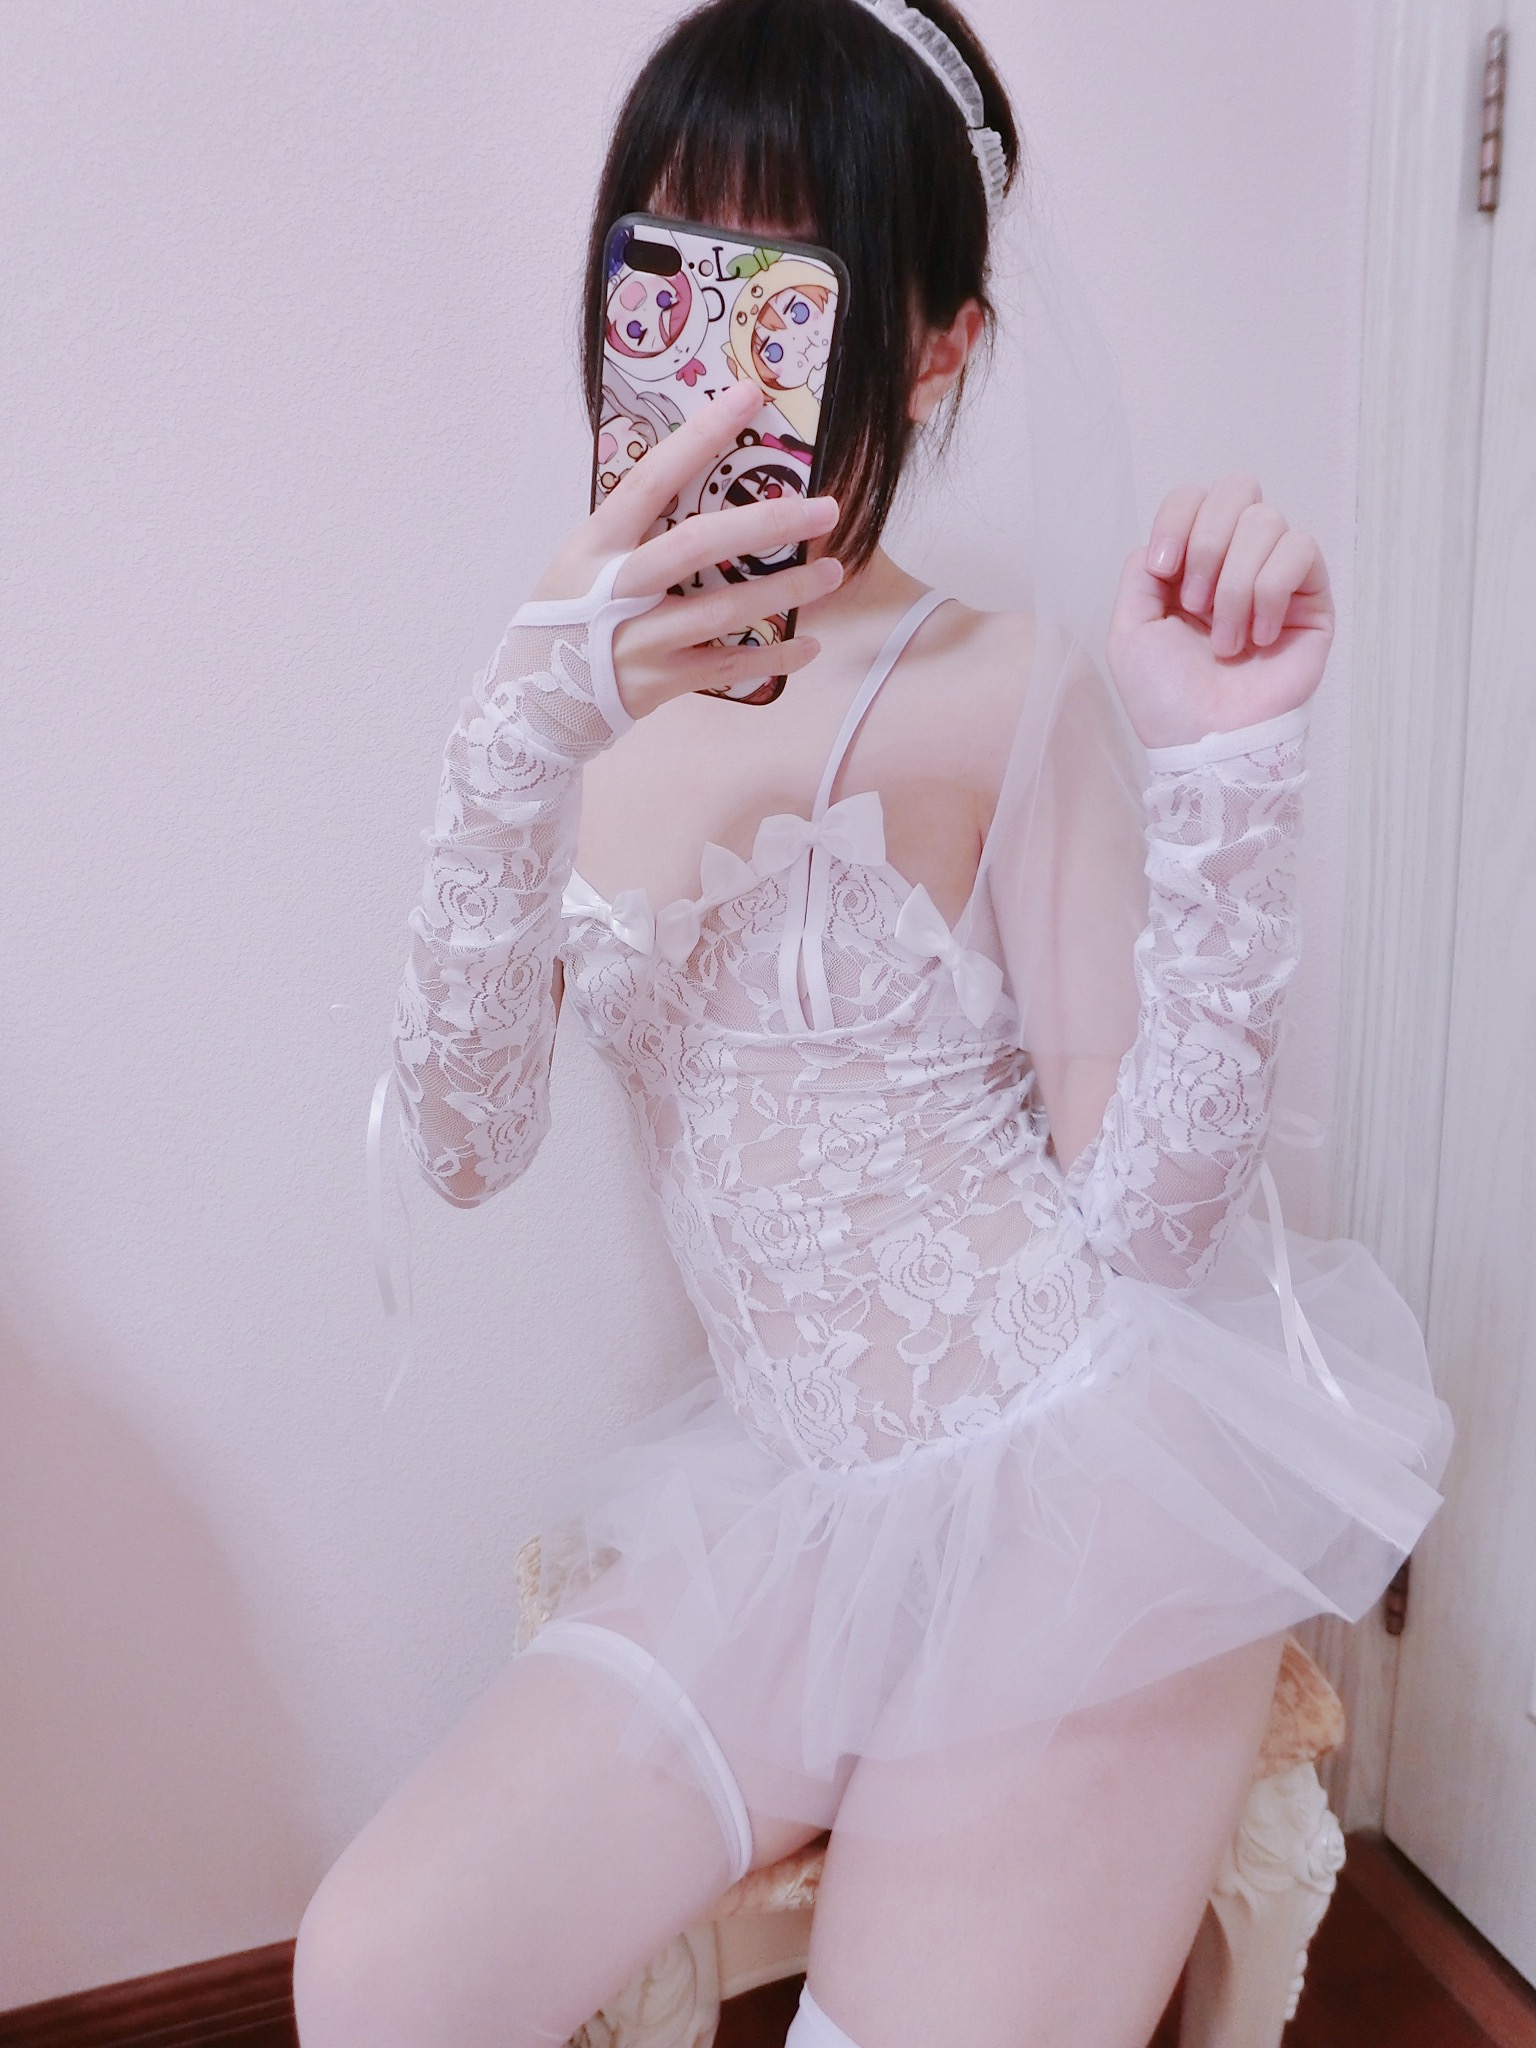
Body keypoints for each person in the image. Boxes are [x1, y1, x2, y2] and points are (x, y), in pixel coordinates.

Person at [294, 4, 1452, 2044]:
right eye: (671, 261)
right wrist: (523, 723)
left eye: (792, 285)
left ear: (935, 344)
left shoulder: (1000, 679)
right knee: (378, 1977)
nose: (716, 355)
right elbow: (465, 1146)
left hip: (1078, 1482)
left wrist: (1226, 777)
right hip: (795, 1498)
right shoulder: (577, 697)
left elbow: (1149, 1220)